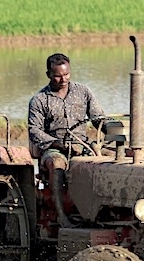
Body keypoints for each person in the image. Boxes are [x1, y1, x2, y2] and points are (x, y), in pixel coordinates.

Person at [28, 53, 106, 228]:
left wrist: (111, 129)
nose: (63, 79)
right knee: (56, 164)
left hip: (82, 145)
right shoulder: (39, 100)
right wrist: (57, 144)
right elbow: (34, 130)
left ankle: (99, 213)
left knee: (109, 161)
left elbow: (98, 117)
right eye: (58, 76)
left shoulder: (83, 92)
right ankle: (62, 216)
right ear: (48, 74)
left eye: (66, 74)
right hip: (54, 148)